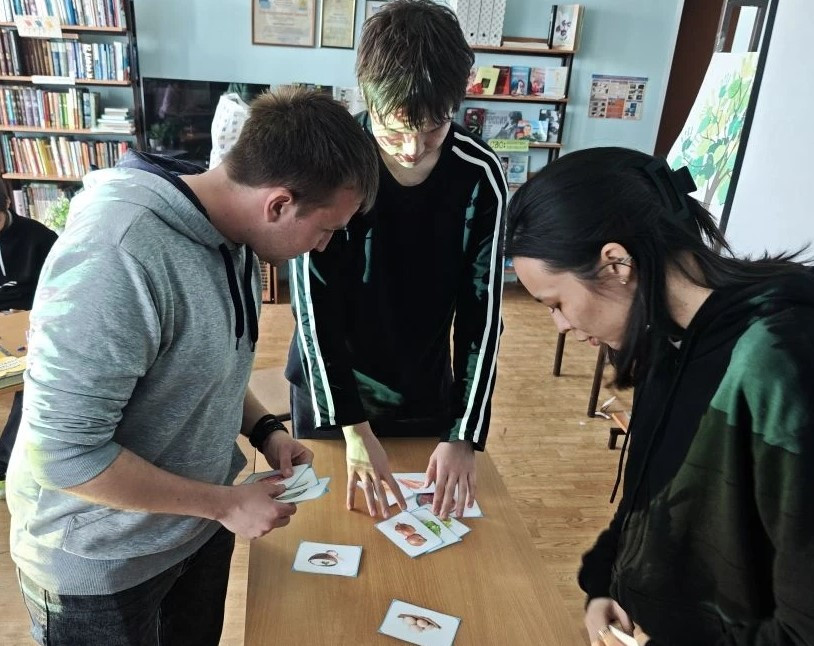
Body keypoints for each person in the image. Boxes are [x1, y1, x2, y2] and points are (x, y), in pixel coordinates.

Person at [6, 88, 379, 646]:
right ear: (278, 204)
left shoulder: (237, 237)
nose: (324, 247)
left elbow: (209, 364)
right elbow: (64, 455)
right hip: (101, 565)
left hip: (195, 530)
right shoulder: (116, 254)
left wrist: (265, 430)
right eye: (326, 229)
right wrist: (224, 503)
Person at [505, 147, 814, 646]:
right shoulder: (672, 338)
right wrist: (606, 581)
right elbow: (651, 492)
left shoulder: (790, 363)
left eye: (556, 303)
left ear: (616, 263)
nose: (561, 325)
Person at [286, 0, 507, 521]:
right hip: (333, 393)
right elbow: (314, 310)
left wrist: (463, 434)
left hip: (424, 391)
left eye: (433, 129)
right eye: (394, 130)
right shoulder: (330, 166)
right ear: (368, 97)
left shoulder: (479, 175)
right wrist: (354, 428)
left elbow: (482, 315)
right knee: (333, 526)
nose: (411, 149)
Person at [0, 184, 58, 501]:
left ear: (8, 204)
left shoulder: (39, 237)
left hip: (30, 319)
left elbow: (58, 290)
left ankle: (6, 462)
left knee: (33, 382)